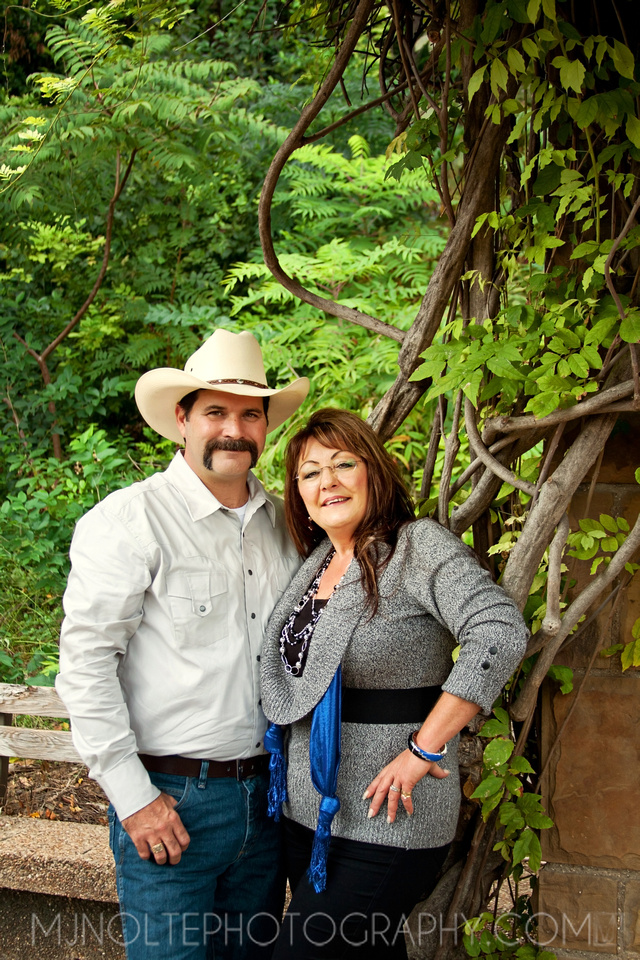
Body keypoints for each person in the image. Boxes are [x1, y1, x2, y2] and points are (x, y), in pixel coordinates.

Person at [56, 328, 309, 960]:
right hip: (172, 802)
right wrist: (135, 801)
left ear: (266, 426)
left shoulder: (288, 524)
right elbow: (85, 666)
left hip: (270, 798)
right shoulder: (128, 521)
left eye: (251, 414)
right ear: (182, 418)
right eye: (215, 411)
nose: (234, 429)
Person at [259, 408, 529, 959]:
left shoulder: (416, 547)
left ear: (373, 472)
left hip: (390, 819)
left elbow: (498, 631)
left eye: (342, 465)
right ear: (298, 493)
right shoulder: (314, 565)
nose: (326, 482)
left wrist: (422, 747)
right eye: (309, 473)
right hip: (309, 818)